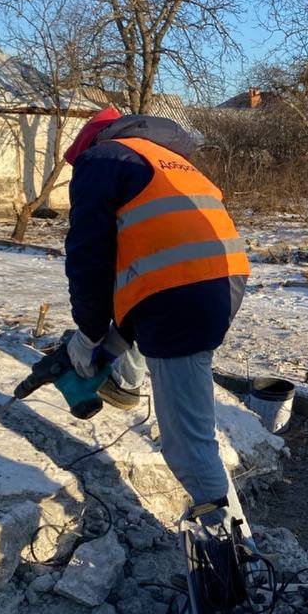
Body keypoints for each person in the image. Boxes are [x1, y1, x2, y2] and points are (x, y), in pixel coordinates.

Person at [60, 106, 252, 527]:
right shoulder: (168, 160)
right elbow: (153, 255)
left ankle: (236, 556)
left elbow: (89, 259)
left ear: (90, 144)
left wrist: (88, 334)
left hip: (181, 290)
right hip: (222, 283)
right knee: (189, 405)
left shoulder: (101, 158)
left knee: (186, 443)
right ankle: (229, 528)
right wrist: (112, 340)